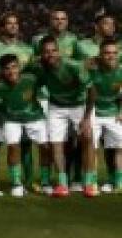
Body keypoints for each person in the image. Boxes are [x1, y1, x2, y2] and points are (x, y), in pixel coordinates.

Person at [33, 34, 90, 197]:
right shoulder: (41, 69)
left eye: (53, 50)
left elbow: (91, 90)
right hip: (56, 107)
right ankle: (62, 184)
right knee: (55, 143)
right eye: (46, 51)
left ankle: (88, 182)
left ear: (59, 51)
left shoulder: (73, 65)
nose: (50, 54)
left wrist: (86, 118)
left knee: (87, 139)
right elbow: (30, 81)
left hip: (79, 106)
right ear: (41, 54)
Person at [0, 53, 48, 198]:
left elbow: (46, 77)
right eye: (7, 69)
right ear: (2, 71)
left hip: (34, 117)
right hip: (12, 120)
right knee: (13, 147)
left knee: (45, 147)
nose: (11, 71)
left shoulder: (31, 79)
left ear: (19, 67)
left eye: (14, 67)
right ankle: (16, 183)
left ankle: (45, 182)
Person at [83, 39, 122, 194]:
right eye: (107, 53)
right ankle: (91, 182)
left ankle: (118, 182)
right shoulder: (92, 70)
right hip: (93, 112)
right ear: (100, 55)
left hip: (113, 112)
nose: (111, 56)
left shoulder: (121, 71)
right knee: (92, 146)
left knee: (120, 146)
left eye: (114, 53)